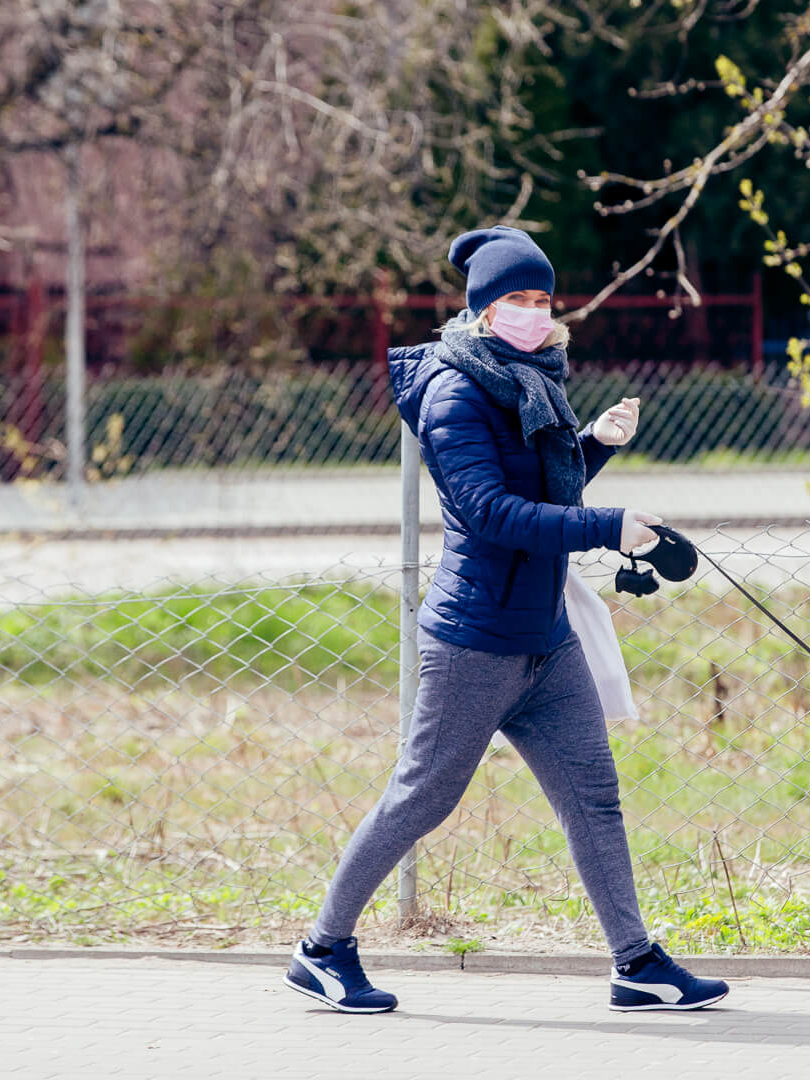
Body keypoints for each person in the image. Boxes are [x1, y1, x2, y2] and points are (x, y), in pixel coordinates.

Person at [283, 226, 729, 1014]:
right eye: (516, 298)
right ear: (482, 309)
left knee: (594, 796)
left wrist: (593, 445)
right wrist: (610, 525)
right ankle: (321, 949)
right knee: (421, 798)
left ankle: (636, 962)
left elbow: (544, 487)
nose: (533, 311)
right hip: (474, 643)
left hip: (546, 641)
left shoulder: (532, 377)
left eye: (542, 298)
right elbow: (493, 514)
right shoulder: (454, 392)